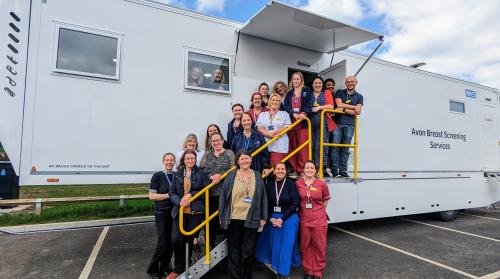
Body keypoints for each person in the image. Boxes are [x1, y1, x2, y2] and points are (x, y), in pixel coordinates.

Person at [219, 149, 268, 279]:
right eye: (242, 159)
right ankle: (234, 277)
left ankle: (246, 276)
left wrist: (264, 216)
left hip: (251, 217)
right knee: (234, 250)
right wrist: (222, 216)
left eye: (247, 158)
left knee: (249, 251)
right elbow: (223, 197)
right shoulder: (231, 175)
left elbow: (263, 197)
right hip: (233, 218)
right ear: (237, 161)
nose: (245, 161)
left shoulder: (257, 175)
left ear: (251, 160)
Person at [168, 150, 211, 279]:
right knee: (176, 239)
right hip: (180, 212)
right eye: (187, 158)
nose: (190, 160)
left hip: (195, 212)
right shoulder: (178, 174)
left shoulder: (201, 173)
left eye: (192, 158)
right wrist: (179, 202)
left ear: (195, 159)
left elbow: (206, 192)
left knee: (188, 241)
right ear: (184, 160)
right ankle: (179, 267)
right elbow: (172, 193)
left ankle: (186, 265)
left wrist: (191, 195)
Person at [255, 162, 300, 278]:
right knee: (274, 244)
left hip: (289, 217)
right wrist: (270, 218)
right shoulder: (269, 185)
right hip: (272, 217)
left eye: (282, 169)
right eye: (278, 169)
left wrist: (282, 219)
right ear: (274, 171)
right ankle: (276, 267)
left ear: (286, 171)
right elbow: (265, 203)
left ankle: (283, 272)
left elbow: (295, 203)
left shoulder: (291, 184)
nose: (280, 171)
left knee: (286, 245)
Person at [200, 132, 235, 249]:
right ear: (210, 142)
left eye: (217, 140)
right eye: (213, 141)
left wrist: (220, 175)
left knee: (226, 218)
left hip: (226, 191)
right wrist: (211, 177)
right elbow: (201, 171)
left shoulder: (229, 153)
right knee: (210, 219)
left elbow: (233, 169)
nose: (216, 143)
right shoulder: (207, 155)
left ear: (222, 140)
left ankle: (227, 243)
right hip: (210, 192)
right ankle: (209, 244)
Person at [295, 161, 330, 279]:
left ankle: (318, 271)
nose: (309, 170)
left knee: (319, 245)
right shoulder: (298, 183)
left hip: (319, 221)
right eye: (307, 168)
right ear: (303, 169)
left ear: (315, 170)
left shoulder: (321, 183)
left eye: (312, 168)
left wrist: (318, 211)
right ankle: (309, 270)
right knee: (305, 246)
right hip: (304, 219)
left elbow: (325, 200)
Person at [147, 153, 176, 279]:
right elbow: (152, 196)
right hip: (161, 213)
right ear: (163, 161)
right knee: (162, 243)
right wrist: (168, 196)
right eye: (167, 160)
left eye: (171, 160)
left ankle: (165, 268)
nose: (169, 162)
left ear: (175, 162)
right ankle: (153, 269)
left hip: (174, 213)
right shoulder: (157, 175)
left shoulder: (176, 175)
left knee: (171, 243)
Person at [331, 75, 363, 178]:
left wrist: (344, 109)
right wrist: (353, 107)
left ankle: (343, 171)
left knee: (345, 148)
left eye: (352, 81)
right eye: (348, 82)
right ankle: (335, 171)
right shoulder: (340, 92)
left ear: (356, 82)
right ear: (346, 83)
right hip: (337, 124)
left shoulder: (359, 96)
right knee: (335, 147)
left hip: (350, 125)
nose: (350, 83)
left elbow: (358, 112)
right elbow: (339, 104)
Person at [284, 72, 312, 177]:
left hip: (303, 122)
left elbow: (309, 104)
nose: (296, 81)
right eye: (294, 79)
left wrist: (304, 113)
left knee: (303, 148)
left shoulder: (307, 90)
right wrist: (293, 114)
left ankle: (302, 170)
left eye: (297, 79)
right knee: (293, 146)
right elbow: (286, 106)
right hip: (292, 122)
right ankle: (295, 169)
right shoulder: (289, 92)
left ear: (301, 80)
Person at [256, 93, 291, 167]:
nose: (275, 102)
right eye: (273, 100)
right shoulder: (262, 114)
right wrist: (268, 134)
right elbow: (258, 127)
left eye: (277, 100)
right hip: (265, 144)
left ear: (279, 103)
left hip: (279, 145)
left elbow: (287, 126)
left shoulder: (284, 114)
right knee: (265, 167)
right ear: (269, 101)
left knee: (276, 167)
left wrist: (274, 133)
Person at [310, 77, 335, 176]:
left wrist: (319, 107)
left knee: (322, 144)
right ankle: (313, 168)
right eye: (315, 83)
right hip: (311, 122)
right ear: (312, 85)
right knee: (312, 144)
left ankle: (322, 168)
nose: (318, 85)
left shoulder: (326, 93)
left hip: (323, 120)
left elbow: (331, 106)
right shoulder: (309, 94)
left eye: (320, 83)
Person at [324, 78, 337, 176]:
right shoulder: (325, 94)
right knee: (325, 146)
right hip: (327, 123)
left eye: (332, 84)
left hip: (335, 124)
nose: (330, 86)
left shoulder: (336, 96)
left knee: (333, 147)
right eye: (328, 85)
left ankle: (333, 169)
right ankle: (324, 168)